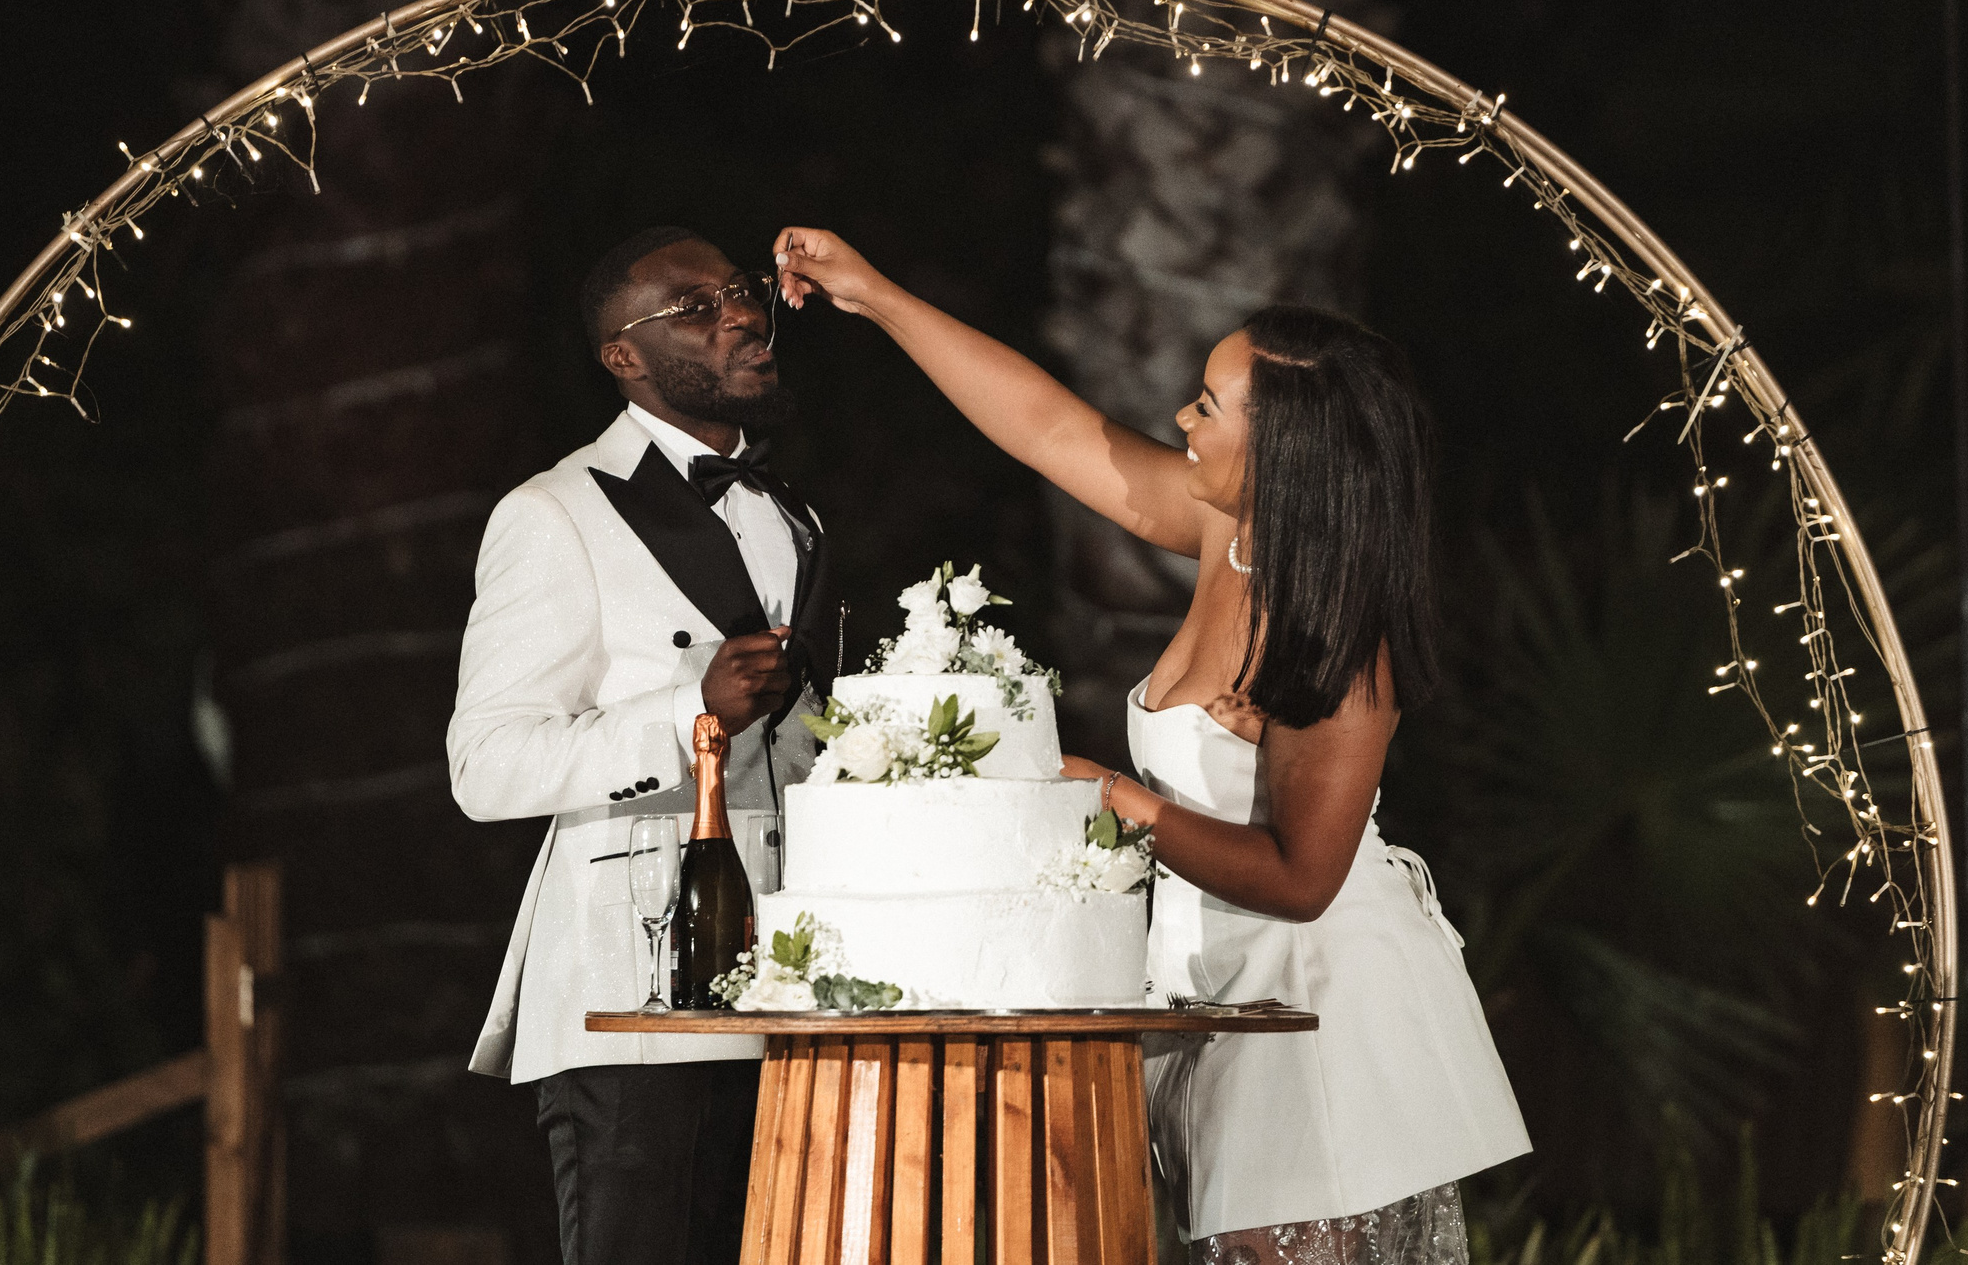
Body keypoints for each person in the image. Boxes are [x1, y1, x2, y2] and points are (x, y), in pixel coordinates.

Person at [771, 225, 1529, 1265]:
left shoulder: (1337, 635)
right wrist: (874, 295)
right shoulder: (1231, 532)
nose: (1180, 418)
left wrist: (1121, 803)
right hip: (1218, 988)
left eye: (1208, 407)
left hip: (1320, 1008)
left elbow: (1304, 876)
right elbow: (1050, 428)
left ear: (1284, 449)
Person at [449, 225, 840, 1265]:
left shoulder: (789, 511)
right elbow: (485, 765)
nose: (745, 315)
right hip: (633, 983)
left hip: (793, 972)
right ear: (622, 356)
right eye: (698, 308)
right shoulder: (553, 514)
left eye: (743, 293)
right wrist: (685, 715)